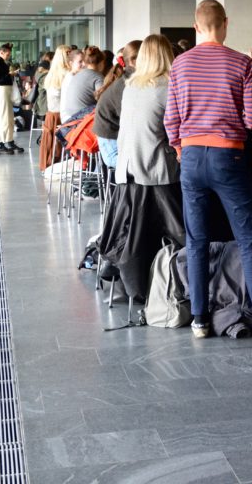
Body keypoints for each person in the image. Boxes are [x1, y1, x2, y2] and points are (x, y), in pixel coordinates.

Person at [164, 0, 252, 340]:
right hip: (228, 157)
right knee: (248, 237)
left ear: (196, 26)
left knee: (196, 239)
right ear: (225, 24)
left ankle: (199, 319)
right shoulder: (241, 64)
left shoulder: (180, 64)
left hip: (191, 157)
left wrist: (181, 149)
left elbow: (171, 120)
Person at [98, 35, 185, 322]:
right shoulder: (169, 86)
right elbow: (177, 132)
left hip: (126, 172)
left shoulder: (131, 85)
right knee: (186, 229)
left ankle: (122, 271)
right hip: (156, 173)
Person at [94, 40, 140, 168]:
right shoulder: (128, 84)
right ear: (134, 61)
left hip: (111, 139)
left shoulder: (127, 79)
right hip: (112, 148)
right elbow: (131, 123)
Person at [39, 45, 71, 171]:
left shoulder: (51, 73)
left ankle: (49, 166)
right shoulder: (67, 74)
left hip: (51, 113)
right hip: (62, 114)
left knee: (50, 143)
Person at [0, 43, 23, 154]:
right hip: (1, 91)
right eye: (7, 54)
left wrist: (10, 75)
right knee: (3, 118)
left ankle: (9, 141)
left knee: (8, 118)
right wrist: (10, 75)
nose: (8, 56)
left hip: (5, 92)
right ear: (1, 52)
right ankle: (1, 143)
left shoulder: (1, 62)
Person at [59, 46, 104, 123]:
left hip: (69, 118)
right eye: (80, 61)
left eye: (83, 61)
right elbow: (103, 102)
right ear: (101, 63)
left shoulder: (75, 75)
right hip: (78, 120)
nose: (83, 64)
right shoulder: (97, 77)